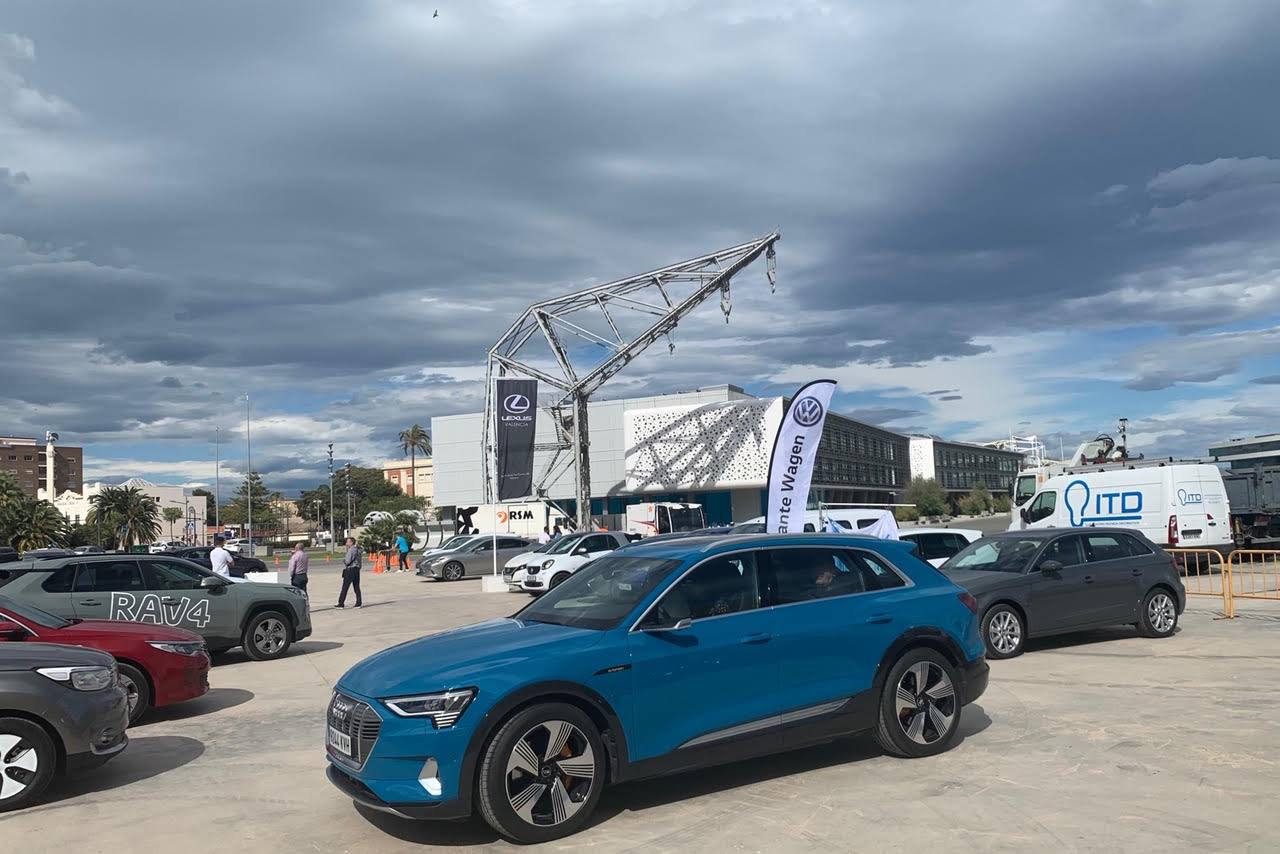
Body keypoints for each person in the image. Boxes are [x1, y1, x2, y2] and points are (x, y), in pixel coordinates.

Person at [337, 536, 362, 608]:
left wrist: (344, 561)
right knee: (356, 587)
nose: (346, 543)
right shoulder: (358, 550)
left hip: (350, 570)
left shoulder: (351, 550)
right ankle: (358, 602)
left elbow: (348, 561)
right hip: (357, 569)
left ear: (351, 542)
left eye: (348, 541)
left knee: (345, 587)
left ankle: (341, 603)